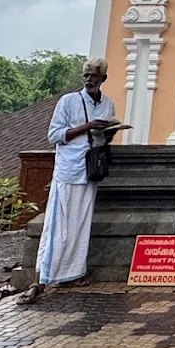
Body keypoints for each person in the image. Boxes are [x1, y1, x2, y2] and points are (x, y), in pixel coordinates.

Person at [18, 58, 126, 304]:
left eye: (94, 76)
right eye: (87, 75)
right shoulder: (69, 102)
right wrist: (86, 126)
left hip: (90, 170)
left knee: (80, 225)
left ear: (103, 79)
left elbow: (104, 139)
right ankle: (42, 278)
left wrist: (108, 131)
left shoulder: (107, 104)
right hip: (68, 171)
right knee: (57, 225)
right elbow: (54, 135)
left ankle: (73, 273)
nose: (90, 80)